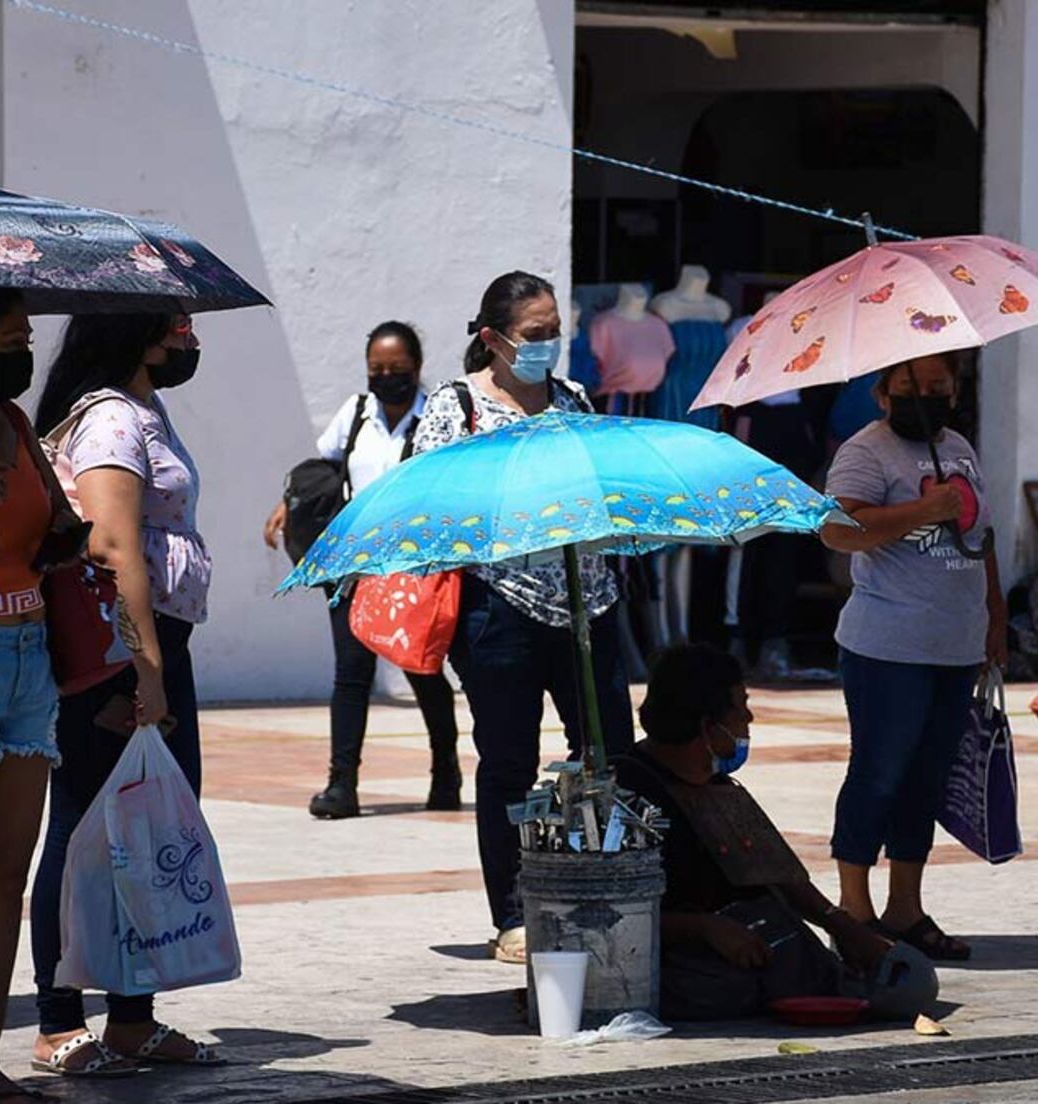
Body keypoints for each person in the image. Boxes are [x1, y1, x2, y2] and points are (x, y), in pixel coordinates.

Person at [413, 272, 635, 965]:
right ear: (493, 338)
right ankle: (512, 913)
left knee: (608, 753)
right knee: (507, 762)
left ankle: (603, 884)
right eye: (534, 336)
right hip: (499, 609)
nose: (548, 348)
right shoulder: (456, 408)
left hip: (587, 602)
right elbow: (433, 504)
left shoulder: (572, 399)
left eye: (554, 334)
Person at [30, 313, 221, 1076]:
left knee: (147, 831)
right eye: (178, 327)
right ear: (137, 334)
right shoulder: (110, 417)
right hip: (120, 649)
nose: (190, 342)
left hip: (157, 644)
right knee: (84, 832)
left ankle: (133, 1020)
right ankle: (56, 1021)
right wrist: (144, 672)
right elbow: (113, 548)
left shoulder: (143, 408)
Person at [615, 645, 937, 1021]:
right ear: (706, 727)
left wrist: (844, 927)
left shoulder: (718, 786)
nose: (749, 718)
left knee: (908, 979)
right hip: (661, 954)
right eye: (740, 708)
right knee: (725, 988)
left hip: (745, 937)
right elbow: (605, 915)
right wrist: (703, 928)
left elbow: (776, 873)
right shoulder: (625, 792)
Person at [820, 354, 1007, 961]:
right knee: (879, 772)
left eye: (936, 386)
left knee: (925, 779)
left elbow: (983, 539)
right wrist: (923, 512)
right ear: (882, 393)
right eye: (908, 386)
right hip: (887, 646)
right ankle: (854, 907)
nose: (923, 396)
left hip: (954, 644)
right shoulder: (865, 452)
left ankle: (905, 906)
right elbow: (839, 530)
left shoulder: (959, 447)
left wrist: (995, 618)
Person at [264, 321, 461, 819]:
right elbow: (323, 467)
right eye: (377, 369)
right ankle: (341, 784)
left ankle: (446, 771)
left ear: (416, 367)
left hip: (413, 567)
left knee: (422, 670)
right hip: (354, 565)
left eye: (397, 369)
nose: (387, 377)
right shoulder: (356, 414)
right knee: (351, 675)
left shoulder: (435, 418)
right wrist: (289, 506)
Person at [0, 290, 78, 1104]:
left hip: (27, 658)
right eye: (6, 328)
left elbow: (54, 539)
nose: (23, 341)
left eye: (25, 330)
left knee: (2, 876)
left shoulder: (13, 426)